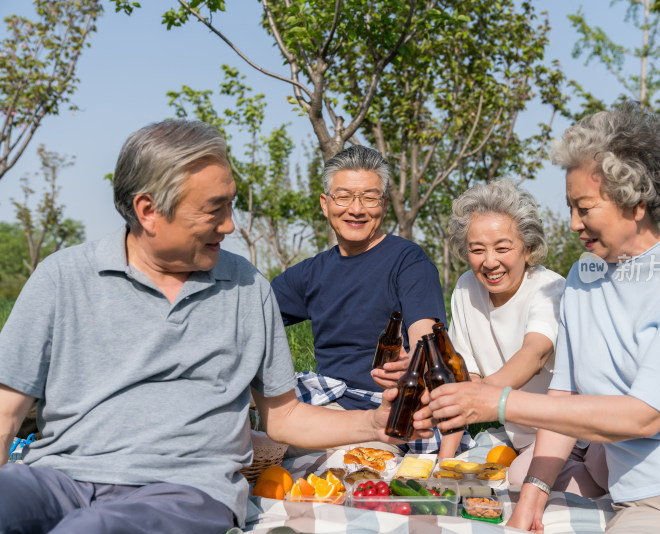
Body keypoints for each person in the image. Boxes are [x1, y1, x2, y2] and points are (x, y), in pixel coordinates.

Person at [0, 120, 432, 534]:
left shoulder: (247, 287)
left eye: (230, 204)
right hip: (57, 477)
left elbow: (284, 417)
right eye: (214, 209)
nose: (229, 224)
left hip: (178, 492)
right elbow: (5, 415)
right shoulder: (63, 277)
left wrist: (378, 422)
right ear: (148, 210)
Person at [426, 102, 660, 534]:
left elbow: (645, 415)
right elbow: (561, 402)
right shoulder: (582, 280)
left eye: (584, 208)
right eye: (570, 207)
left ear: (635, 201)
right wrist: (530, 498)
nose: (572, 223)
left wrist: (500, 401)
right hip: (649, 499)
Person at [271, 145, 465, 456]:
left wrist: (413, 362)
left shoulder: (408, 262)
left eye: (369, 198)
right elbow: (252, 315)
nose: (357, 209)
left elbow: (425, 339)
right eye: (344, 197)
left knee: (347, 467)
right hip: (324, 406)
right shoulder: (311, 273)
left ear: (384, 205)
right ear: (325, 204)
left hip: (388, 411)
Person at [443, 178, 607, 496]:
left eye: (502, 248)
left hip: (585, 428)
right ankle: (599, 492)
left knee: (606, 466)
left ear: (527, 249)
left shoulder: (550, 288)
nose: (490, 261)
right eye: (477, 250)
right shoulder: (465, 289)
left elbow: (535, 353)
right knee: (520, 477)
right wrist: (443, 464)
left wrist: (487, 396)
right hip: (534, 439)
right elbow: (462, 379)